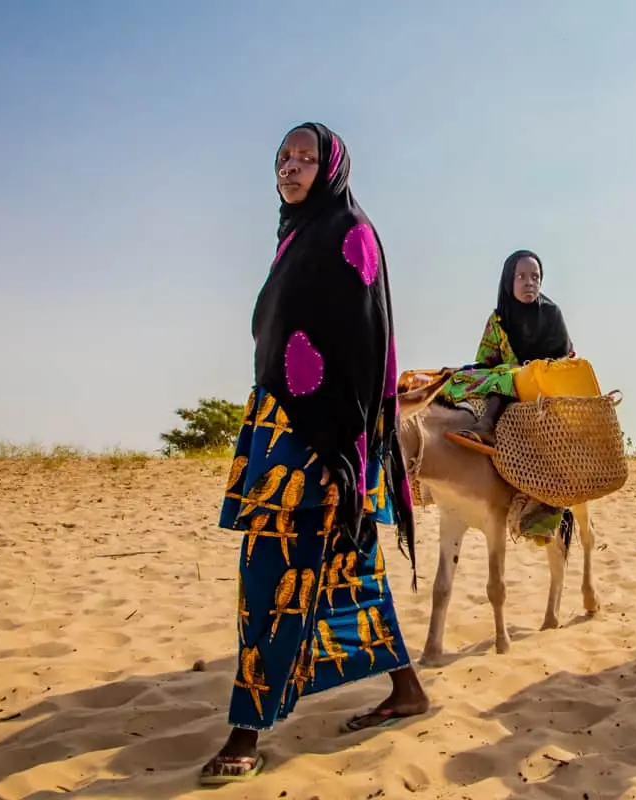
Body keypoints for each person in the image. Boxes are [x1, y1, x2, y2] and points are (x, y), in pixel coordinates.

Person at [200, 123, 429, 785]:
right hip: (283, 423)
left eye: (305, 157)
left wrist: (343, 452)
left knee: (269, 574)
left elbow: (361, 344)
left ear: (330, 167)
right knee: (351, 566)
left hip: (321, 439)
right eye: (283, 158)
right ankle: (407, 689)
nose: (292, 167)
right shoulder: (296, 236)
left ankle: (245, 731)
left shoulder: (348, 234)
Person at [443, 249, 573, 454]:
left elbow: (563, 361)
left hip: (544, 380)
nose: (529, 282)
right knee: (457, 378)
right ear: (508, 281)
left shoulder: (551, 314)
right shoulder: (498, 319)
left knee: (508, 373)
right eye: (521, 276)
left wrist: (525, 369)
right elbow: (487, 362)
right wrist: (459, 371)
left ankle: (486, 427)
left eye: (535, 276)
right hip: (503, 377)